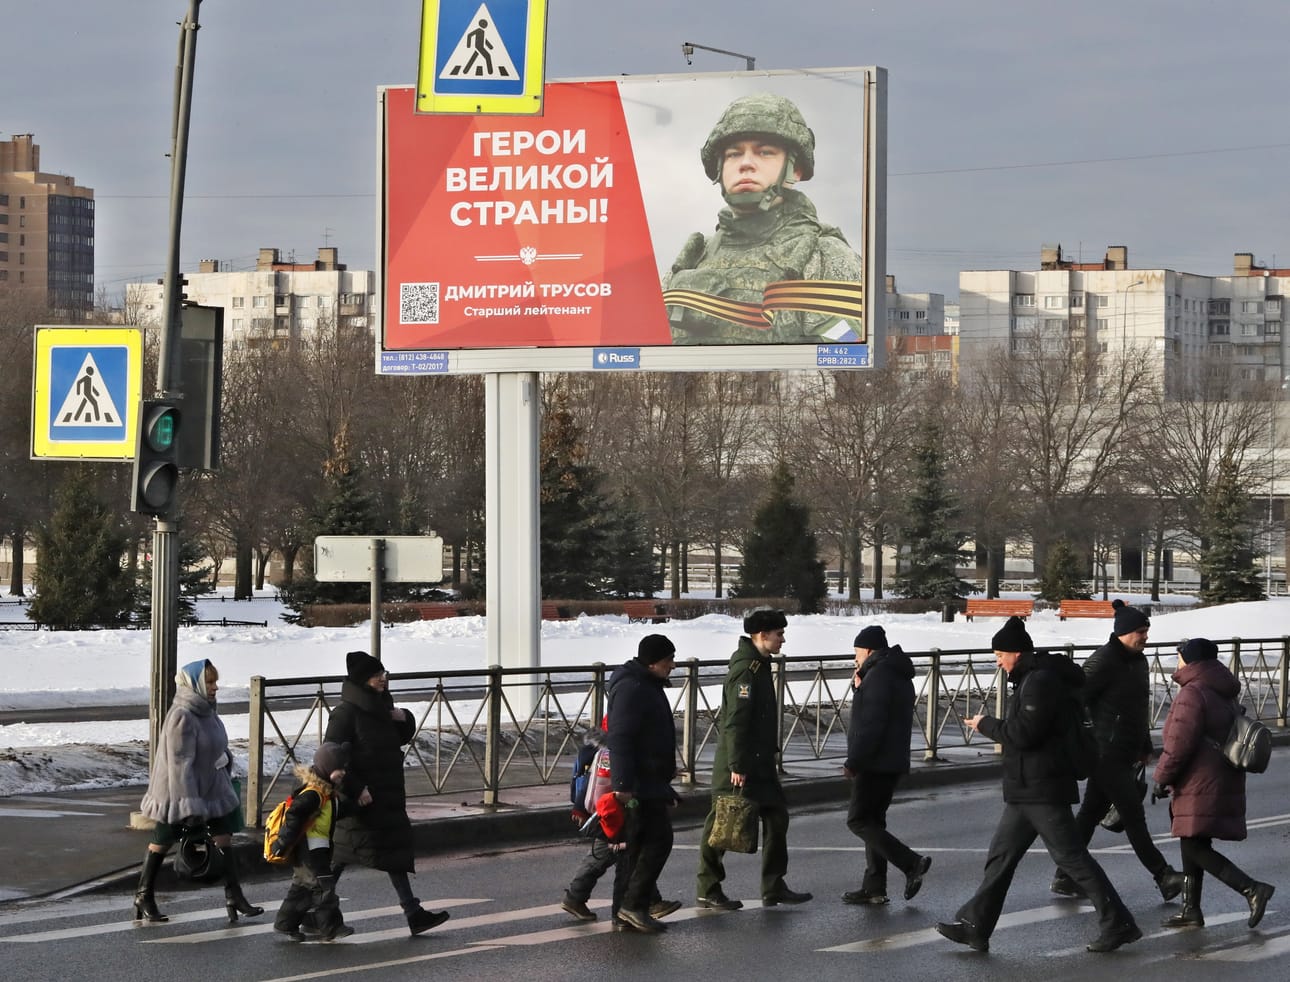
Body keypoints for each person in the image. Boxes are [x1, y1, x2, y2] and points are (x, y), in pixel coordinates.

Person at [936, 617, 1141, 954]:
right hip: (1026, 788)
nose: (998, 661)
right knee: (1000, 858)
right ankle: (976, 926)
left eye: (1001, 654)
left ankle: (1118, 922)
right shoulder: (1034, 679)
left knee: (1072, 859)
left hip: (1043, 787)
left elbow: (1024, 733)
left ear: (1017, 653)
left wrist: (986, 724)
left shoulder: (1040, 682)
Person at [662, 92, 865, 345]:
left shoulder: (823, 257)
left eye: (765, 152)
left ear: (795, 169)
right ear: (719, 169)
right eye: (734, 154)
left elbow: (849, 367)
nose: (746, 164)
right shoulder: (693, 259)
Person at [1050, 601, 1185, 902]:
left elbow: (1137, 708)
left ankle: (1064, 876)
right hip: (1104, 752)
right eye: (1141, 632)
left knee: (1089, 814)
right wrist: (1086, 737)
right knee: (1133, 816)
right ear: (1123, 632)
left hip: (1124, 749)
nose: (1146, 637)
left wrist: (1144, 744)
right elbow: (1075, 698)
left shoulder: (1138, 661)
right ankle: (1164, 875)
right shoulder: (1104, 660)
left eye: (1147, 631)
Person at [324, 650, 450, 936]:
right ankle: (314, 910)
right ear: (362, 680)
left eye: (384, 674)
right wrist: (355, 789)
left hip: (385, 794)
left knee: (390, 851)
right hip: (360, 798)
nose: (383, 679)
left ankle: (413, 912)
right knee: (342, 855)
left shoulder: (381, 708)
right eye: (376, 675)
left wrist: (402, 717)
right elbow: (330, 756)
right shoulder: (345, 713)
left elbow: (398, 737)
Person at [1153, 637, 1275, 930]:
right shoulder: (1222, 689)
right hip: (1219, 774)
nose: (1178, 661)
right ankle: (1191, 910)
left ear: (1190, 660)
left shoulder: (1192, 693)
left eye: (1180, 656)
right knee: (1192, 840)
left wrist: (1161, 777)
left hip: (1199, 779)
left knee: (1195, 846)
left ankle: (1251, 888)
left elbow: (1179, 743)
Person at [695, 607, 812, 910]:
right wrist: (736, 764)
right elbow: (736, 720)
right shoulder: (747, 670)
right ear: (762, 635)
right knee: (722, 825)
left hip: (760, 764)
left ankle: (773, 886)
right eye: (779, 634)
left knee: (776, 819)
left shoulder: (760, 665)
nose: (783, 639)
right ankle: (708, 887)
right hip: (742, 764)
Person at [135, 659, 264, 925]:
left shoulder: (206, 710)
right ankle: (143, 895)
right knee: (163, 838)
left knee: (224, 837)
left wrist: (223, 760)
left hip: (210, 787)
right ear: (194, 685)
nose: (215, 687)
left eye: (215, 681)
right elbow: (180, 765)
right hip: (179, 792)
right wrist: (190, 806)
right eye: (209, 682)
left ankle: (234, 895)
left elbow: (214, 747)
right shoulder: (182, 715)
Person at [841, 625, 931, 905]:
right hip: (892, 759)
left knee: (858, 820)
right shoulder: (895, 673)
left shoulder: (878, 676)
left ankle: (910, 863)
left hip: (875, 760)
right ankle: (875, 887)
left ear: (867, 650)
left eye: (856, 653)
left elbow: (872, 723)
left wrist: (855, 761)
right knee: (873, 821)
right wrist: (860, 689)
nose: (855, 659)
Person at [559, 718, 680, 927]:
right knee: (611, 857)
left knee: (632, 854)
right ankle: (576, 897)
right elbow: (595, 781)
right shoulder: (612, 752)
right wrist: (581, 808)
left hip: (606, 810)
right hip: (610, 813)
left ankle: (650, 901)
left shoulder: (606, 748)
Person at [605, 634, 683, 934]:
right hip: (639, 782)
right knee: (657, 841)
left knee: (636, 847)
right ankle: (633, 905)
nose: (672, 666)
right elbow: (620, 736)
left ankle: (624, 910)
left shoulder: (644, 683)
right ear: (652, 662)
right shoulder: (633, 688)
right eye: (668, 661)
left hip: (649, 777)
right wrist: (622, 782)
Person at [270, 741, 357, 942]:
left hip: (317, 848)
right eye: (338, 769)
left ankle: (285, 924)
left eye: (344, 768)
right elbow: (294, 815)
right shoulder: (313, 793)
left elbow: (331, 813)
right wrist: (283, 842)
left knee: (302, 888)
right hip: (308, 850)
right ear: (326, 768)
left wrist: (353, 807)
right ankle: (331, 927)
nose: (342, 772)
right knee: (324, 887)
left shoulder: (327, 791)